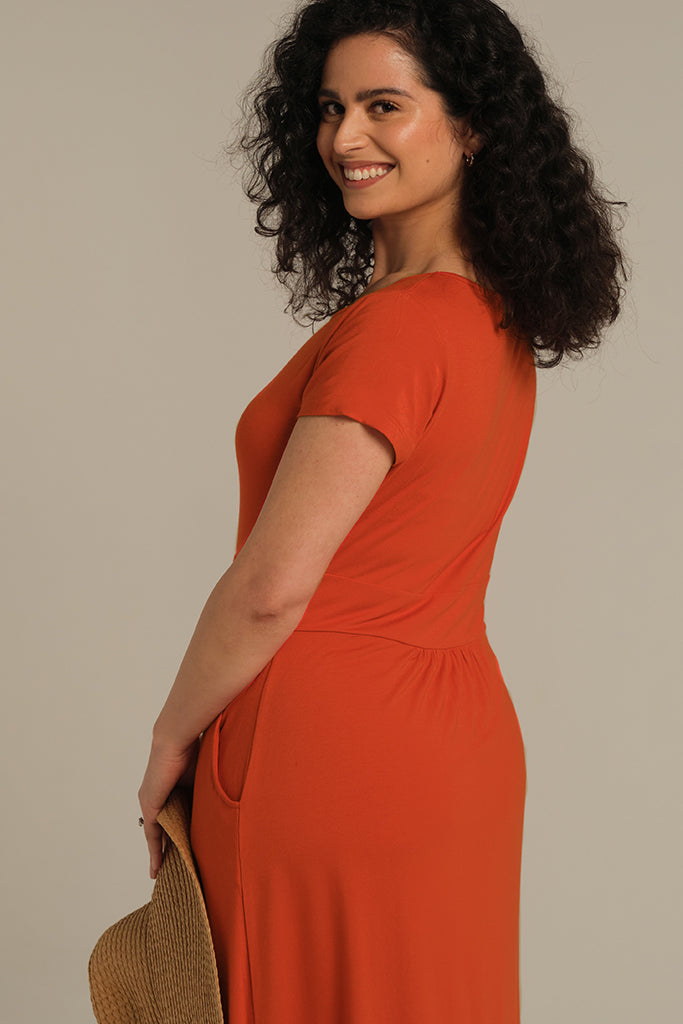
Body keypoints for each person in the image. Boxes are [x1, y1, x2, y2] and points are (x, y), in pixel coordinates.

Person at [137, 1, 628, 1020]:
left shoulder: (398, 330)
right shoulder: (489, 318)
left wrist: (169, 740)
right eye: (327, 108)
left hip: (323, 747)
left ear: (473, 125)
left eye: (383, 106)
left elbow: (273, 586)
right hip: (452, 738)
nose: (342, 138)